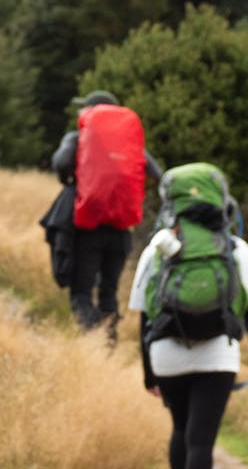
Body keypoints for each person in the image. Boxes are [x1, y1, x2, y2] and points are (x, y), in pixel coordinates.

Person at [127, 164, 248, 469]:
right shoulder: (233, 247)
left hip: (166, 353)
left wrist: (148, 371)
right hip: (218, 354)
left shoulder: (159, 244)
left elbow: (143, 313)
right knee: (202, 439)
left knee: (180, 428)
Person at [50, 90, 163, 336]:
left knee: (81, 291)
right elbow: (157, 174)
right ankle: (109, 341)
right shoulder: (131, 144)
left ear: (90, 112)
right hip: (121, 228)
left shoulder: (78, 137)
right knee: (108, 291)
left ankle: (91, 340)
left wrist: (71, 178)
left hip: (87, 225)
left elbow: (60, 162)